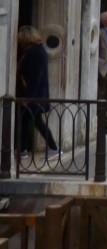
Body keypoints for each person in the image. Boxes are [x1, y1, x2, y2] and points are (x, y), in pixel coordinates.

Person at [16, 25, 59, 160]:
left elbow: (35, 77)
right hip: (36, 95)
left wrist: (27, 98)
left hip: (34, 96)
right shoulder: (36, 50)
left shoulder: (35, 52)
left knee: (34, 122)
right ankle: (23, 149)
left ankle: (52, 148)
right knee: (30, 121)